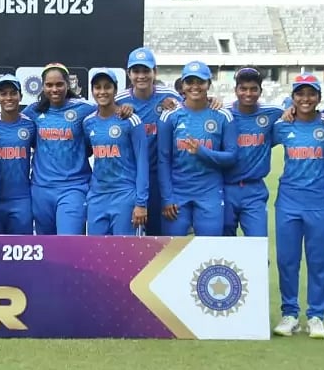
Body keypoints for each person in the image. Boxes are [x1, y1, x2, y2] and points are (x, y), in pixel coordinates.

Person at [271, 74, 324, 339]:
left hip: (321, 204)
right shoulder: (282, 126)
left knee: (318, 261)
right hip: (288, 203)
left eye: (311, 94)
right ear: (293, 98)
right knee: (287, 261)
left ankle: (316, 316)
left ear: (319, 98)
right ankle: (290, 314)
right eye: (300, 94)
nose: (306, 99)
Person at [158, 61, 238, 236]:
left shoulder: (222, 115)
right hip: (177, 192)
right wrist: (167, 197)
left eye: (200, 82)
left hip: (209, 192)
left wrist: (202, 152)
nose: (195, 87)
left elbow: (231, 157)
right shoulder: (170, 116)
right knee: (172, 254)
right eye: (190, 82)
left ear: (209, 84)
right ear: (183, 85)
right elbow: (163, 160)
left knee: (209, 252)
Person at [116, 47, 181, 235]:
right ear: (129, 74)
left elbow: (193, 109)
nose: (141, 76)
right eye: (136, 71)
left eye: (146, 71)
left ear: (155, 72)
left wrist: (210, 100)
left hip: (164, 176)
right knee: (135, 236)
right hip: (132, 178)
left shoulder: (169, 97)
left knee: (162, 234)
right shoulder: (120, 101)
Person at [24, 64, 95, 235]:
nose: (54, 89)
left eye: (59, 84)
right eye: (49, 85)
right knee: (46, 249)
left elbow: (109, 112)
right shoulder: (33, 111)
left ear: (67, 85)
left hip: (74, 188)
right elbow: (11, 123)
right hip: (41, 189)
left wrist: (125, 108)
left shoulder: (84, 109)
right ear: (43, 86)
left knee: (68, 244)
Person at [84, 69, 149, 236]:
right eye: (97, 87)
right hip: (97, 198)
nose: (102, 92)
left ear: (115, 89)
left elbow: (142, 162)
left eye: (107, 87)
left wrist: (141, 203)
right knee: (95, 254)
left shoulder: (130, 120)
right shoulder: (88, 122)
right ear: (92, 91)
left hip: (125, 197)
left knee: (126, 256)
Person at [223, 67, 285, 237]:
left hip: (254, 190)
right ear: (236, 90)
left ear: (260, 90)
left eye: (253, 89)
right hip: (226, 188)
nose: (248, 94)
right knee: (224, 246)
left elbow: (294, 107)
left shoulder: (272, 112)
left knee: (258, 244)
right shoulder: (223, 113)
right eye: (243, 88)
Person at [0, 74, 35, 234]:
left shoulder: (30, 124)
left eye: (13, 93)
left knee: (21, 254)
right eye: (3, 93)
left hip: (21, 200)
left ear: (20, 96)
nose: (9, 98)